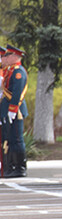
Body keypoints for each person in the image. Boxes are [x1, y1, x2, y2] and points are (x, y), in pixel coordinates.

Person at [1, 45, 28, 177]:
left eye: (8, 55)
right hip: (10, 110)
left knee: (17, 139)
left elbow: (17, 93)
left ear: (14, 56)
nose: (5, 58)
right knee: (11, 139)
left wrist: (12, 110)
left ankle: (20, 167)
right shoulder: (11, 70)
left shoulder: (18, 72)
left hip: (16, 111)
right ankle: (12, 167)